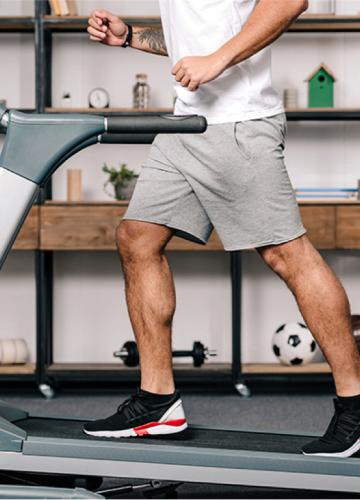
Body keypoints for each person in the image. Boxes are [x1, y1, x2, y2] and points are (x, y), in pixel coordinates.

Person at [85, 0, 360, 457]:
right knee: (137, 236)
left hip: (239, 125)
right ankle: (158, 402)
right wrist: (132, 35)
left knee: (285, 255)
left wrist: (217, 61)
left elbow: (290, 1)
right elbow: (195, 35)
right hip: (186, 125)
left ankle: (355, 406)